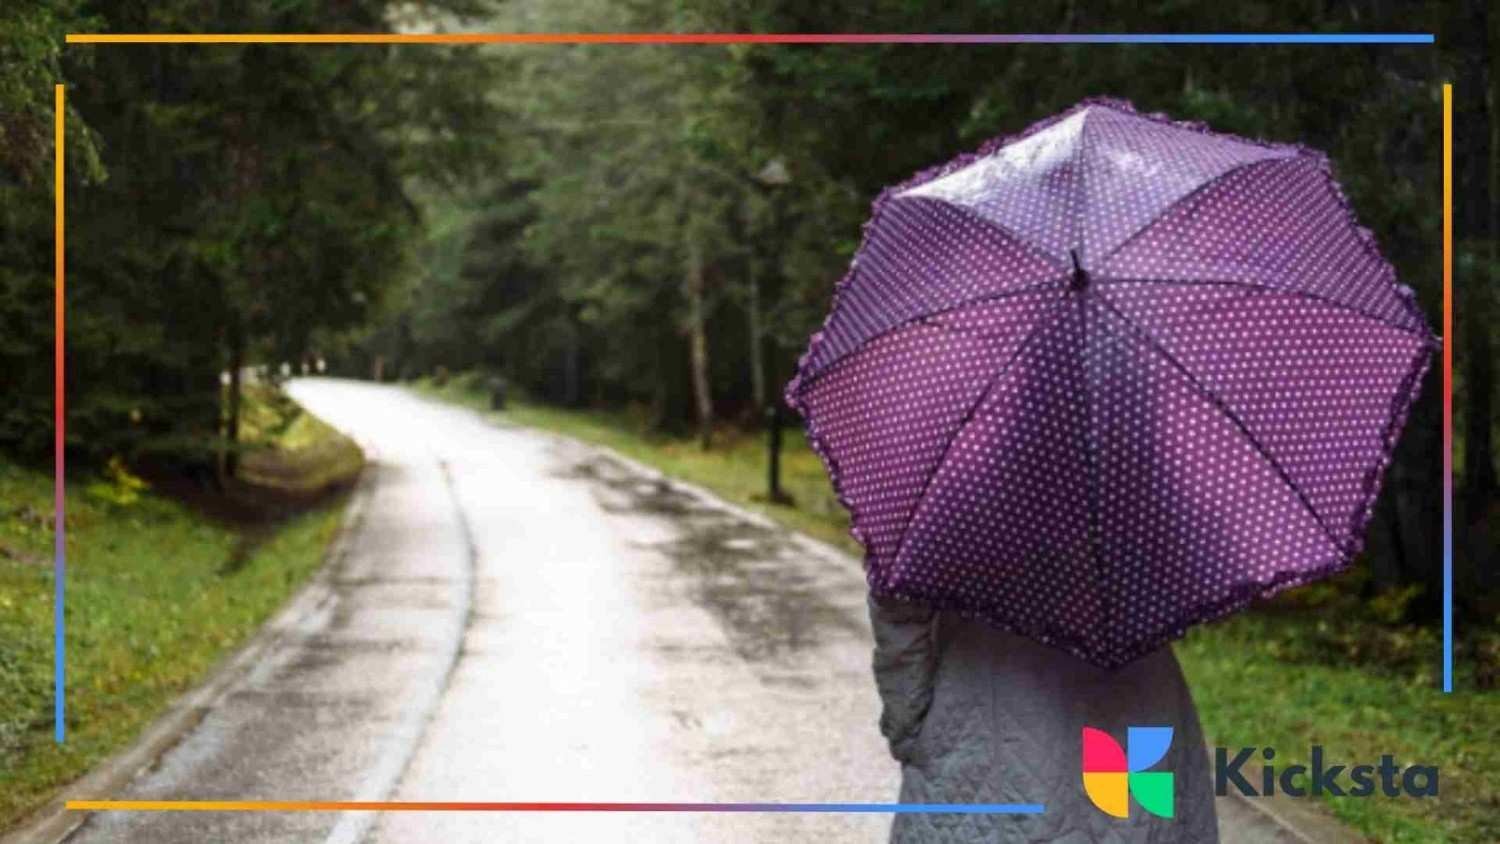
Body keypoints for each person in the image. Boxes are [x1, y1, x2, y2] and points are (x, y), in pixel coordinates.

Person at [867, 593, 1218, 843]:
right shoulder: (1146, 512)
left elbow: (899, 613)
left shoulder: (951, 517)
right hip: (1139, 695)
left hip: (984, 702)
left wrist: (909, 728)